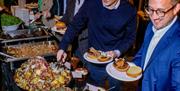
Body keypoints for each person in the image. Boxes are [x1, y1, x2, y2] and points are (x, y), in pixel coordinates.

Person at [57, 0, 137, 90]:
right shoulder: (91, 2)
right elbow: (75, 25)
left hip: (116, 64)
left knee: (115, 88)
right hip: (94, 61)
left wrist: (117, 52)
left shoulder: (129, 10)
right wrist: (62, 47)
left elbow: (130, 38)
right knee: (92, 88)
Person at [132, 0, 180, 90]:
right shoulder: (150, 26)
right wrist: (129, 67)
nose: (154, 17)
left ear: (176, 8)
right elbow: (143, 53)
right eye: (150, 9)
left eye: (161, 11)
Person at [61, 0, 88, 65]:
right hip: (73, 43)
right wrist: (59, 23)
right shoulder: (70, 1)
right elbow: (67, 18)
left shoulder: (91, 2)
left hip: (87, 44)